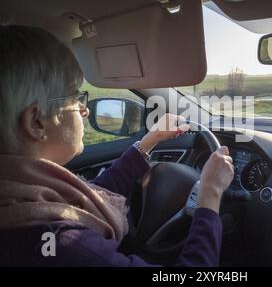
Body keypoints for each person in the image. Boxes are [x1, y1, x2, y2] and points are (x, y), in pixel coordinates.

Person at [0, 25, 234, 266]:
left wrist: (148, 142)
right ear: (36, 121)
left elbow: (89, 196)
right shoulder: (65, 245)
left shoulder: (23, 197)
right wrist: (210, 194)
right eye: (75, 97)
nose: (85, 110)